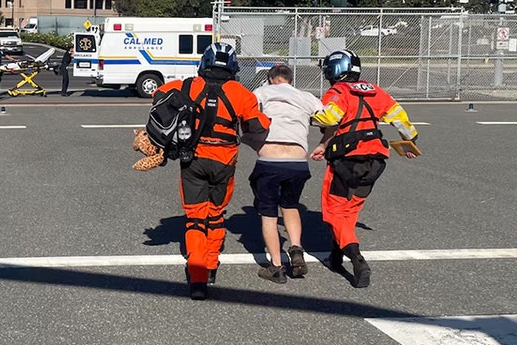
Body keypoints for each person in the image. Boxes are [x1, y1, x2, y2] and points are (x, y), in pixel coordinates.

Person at [155, 42, 270, 300]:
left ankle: (197, 276)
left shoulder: (187, 85)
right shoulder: (241, 93)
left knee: (195, 216)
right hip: (224, 162)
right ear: (232, 67)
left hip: (192, 158)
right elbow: (257, 126)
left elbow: (160, 96)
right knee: (216, 215)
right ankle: (211, 265)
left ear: (204, 63)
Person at [309, 49, 419, 289]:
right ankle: (335, 257)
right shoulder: (375, 90)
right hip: (375, 160)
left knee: (334, 212)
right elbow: (400, 118)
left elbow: (328, 118)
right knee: (351, 210)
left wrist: (306, 112)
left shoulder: (338, 91)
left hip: (346, 160)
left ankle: (357, 260)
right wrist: (410, 140)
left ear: (336, 69)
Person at [244, 64, 324, 284]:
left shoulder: (261, 92)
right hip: (298, 161)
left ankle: (276, 266)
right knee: (290, 206)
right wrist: (324, 144)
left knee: (269, 213)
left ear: (270, 79)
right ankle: (296, 248)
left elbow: (246, 115)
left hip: (270, 158)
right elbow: (330, 120)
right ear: (290, 80)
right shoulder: (305, 96)